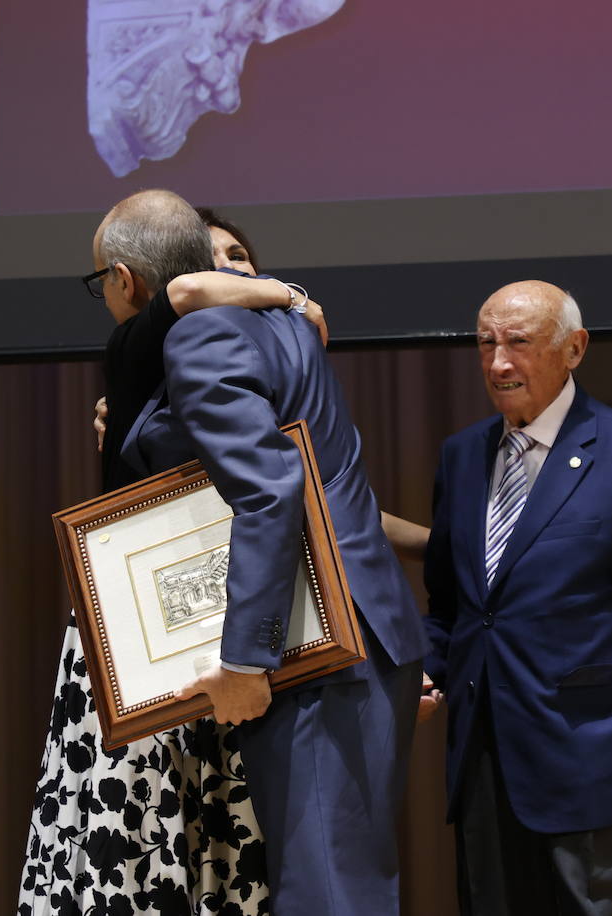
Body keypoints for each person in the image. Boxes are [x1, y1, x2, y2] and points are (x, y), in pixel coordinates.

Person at [105, 190, 426, 916]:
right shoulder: (286, 326)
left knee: (328, 893)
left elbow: (270, 492)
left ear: (129, 281)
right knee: (345, 880)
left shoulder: (202, 336)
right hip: (356, 633)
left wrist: (249, 660)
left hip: (318, 648)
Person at [20, 207, 323, 915]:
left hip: (216, 621)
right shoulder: (149, 341)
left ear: (122, 279)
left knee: (212, 837)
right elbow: (185, 295)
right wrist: (298, 298)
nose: (230, 276)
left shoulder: (247, 359)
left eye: (242, 260)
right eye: (218, 263)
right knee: (136, 841)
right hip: (138, 632)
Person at [421, 280, 612, 915]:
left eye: (519, 343)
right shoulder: (461, 457)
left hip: (596, 780)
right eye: (486, 344)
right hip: (484, 772)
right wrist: (424, 670)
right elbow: (454, 610)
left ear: (574, 349)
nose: (499, 362)